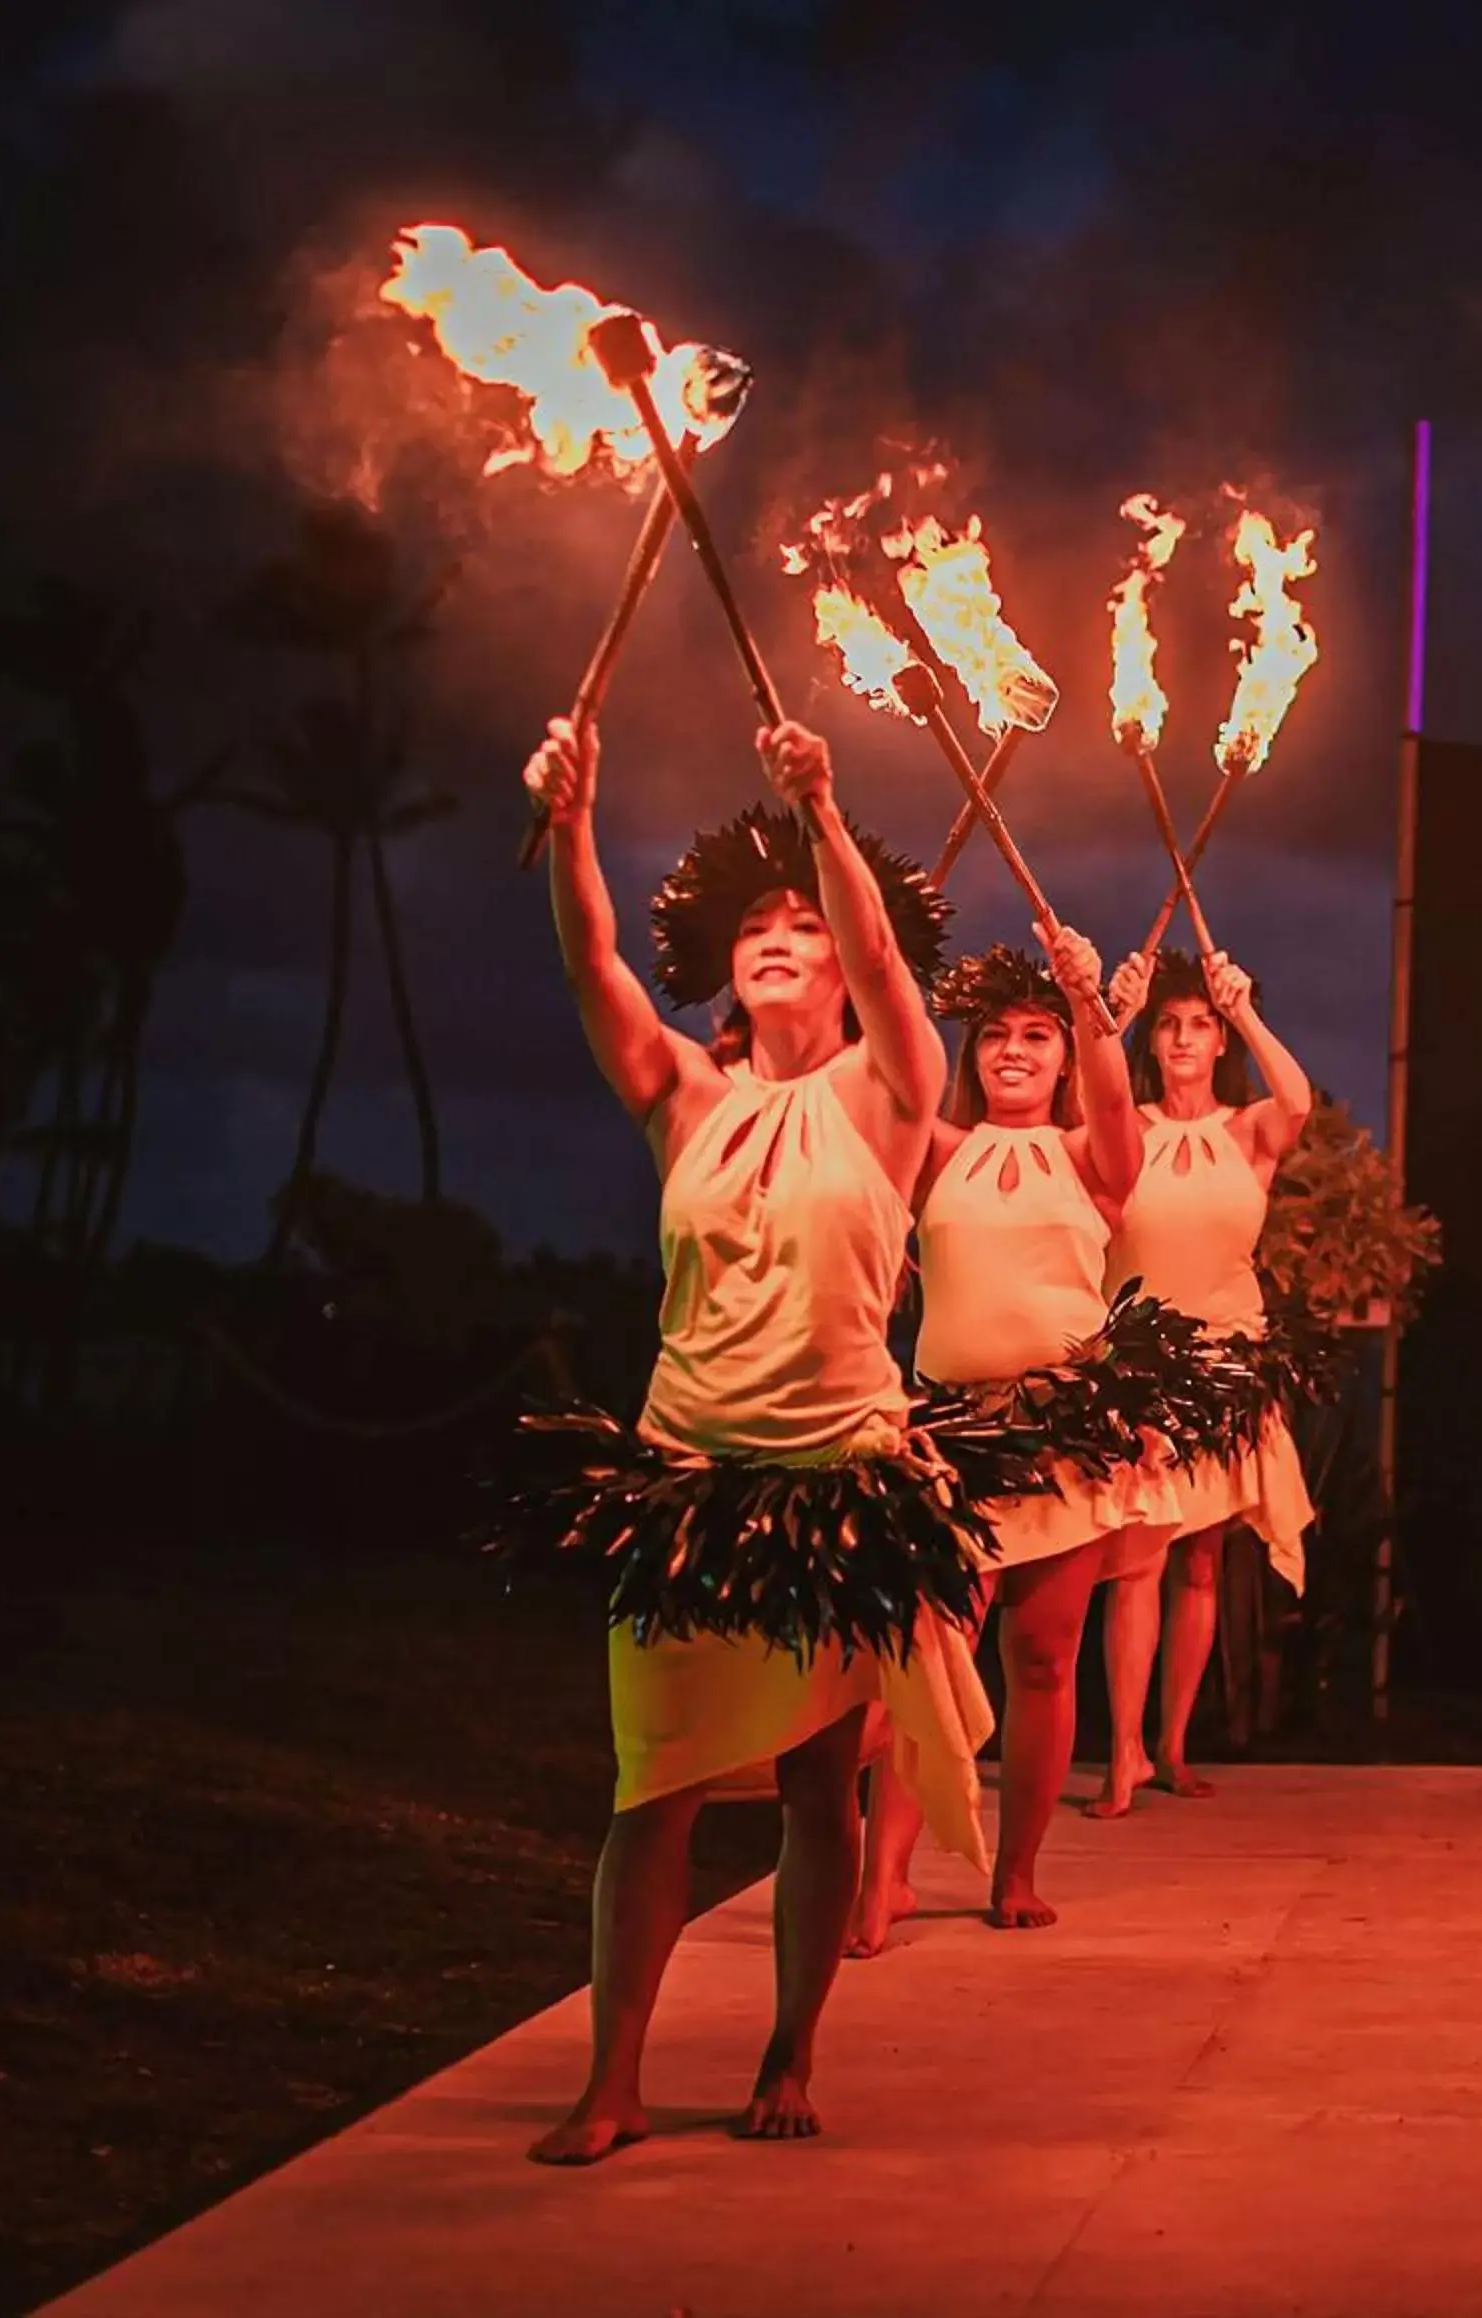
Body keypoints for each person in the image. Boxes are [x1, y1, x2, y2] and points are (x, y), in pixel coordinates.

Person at [509, 711, 991, 2164]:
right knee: (647, 1788)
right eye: (756, 925)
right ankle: (615, 2076)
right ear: (727, 966)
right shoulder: (686, 1094)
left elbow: (899, 969)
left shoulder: (893, 1088)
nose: (778, 936)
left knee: (812, 1781)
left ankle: (789, 2051)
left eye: (804, 922)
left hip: (835, 1483)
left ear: (842, 957)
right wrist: (576, 821)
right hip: (686, 1479)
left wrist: (823, 811)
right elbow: (592, 962)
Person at [844, 935, 1175, 1951]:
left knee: (1041, 1653)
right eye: (996, 1035)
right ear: (973, 1052)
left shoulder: (1090, 1157)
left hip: (1061, 1431)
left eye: (1037, 1037)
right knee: (930, 1655)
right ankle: (884, 1875)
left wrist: (1090, 1006)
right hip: (950, 1430)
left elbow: (1118, 1112)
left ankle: (1016, 1869)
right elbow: (883, 1084)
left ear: (1066, 1057)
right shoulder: (936, 1149)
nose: (1015, 1051)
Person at [1089, 946, 1315, 1814]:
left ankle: (1176, 1747)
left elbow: (1296, 1099)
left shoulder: (1249, 1130)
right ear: (1155, 1038)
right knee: (1137, 1561)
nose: (1184, 1040)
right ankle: (1123, 1755)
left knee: (1204, 1565)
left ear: (1219, 1042)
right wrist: (1113, 1015)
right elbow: (1088, 1094)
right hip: (1139, 1369)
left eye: (1201, 1027)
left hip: (1228, 1363)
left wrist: (1245, 1006)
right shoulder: (1120, 1126)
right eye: (1171, 1026)